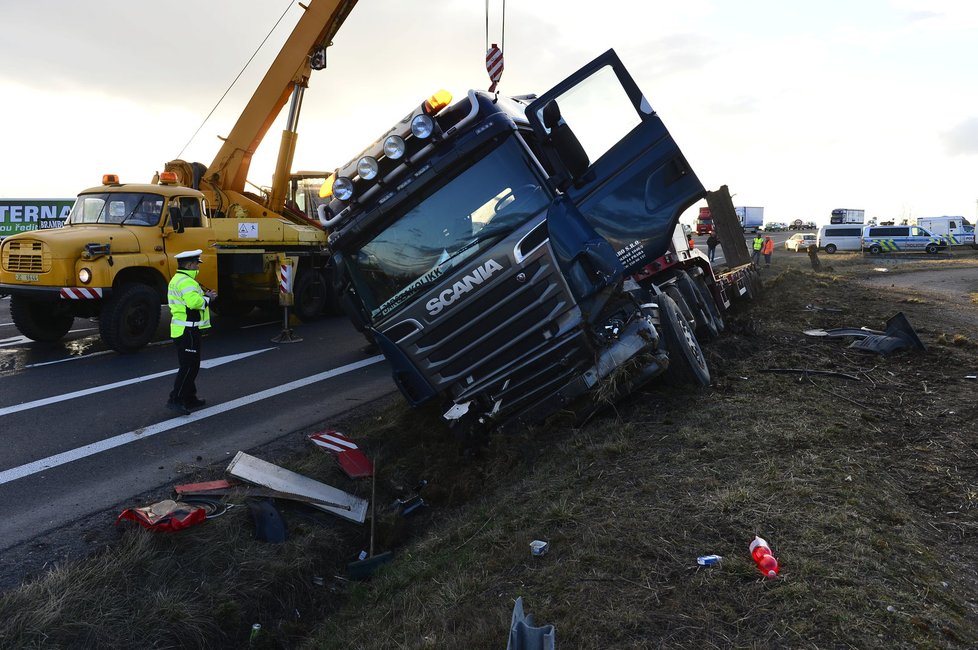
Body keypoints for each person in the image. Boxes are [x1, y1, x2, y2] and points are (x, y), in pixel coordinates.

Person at [167, 249, 216, 415]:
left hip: (181, 329)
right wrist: (209, 297)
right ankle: (176, 399)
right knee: (189, 367)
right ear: (189, 264)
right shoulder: (187, 282)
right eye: (196, 264)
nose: (198, 267)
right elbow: (194, 303)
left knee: (189, 365)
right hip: (188, 329)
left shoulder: (178, 279)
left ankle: (190, 398)